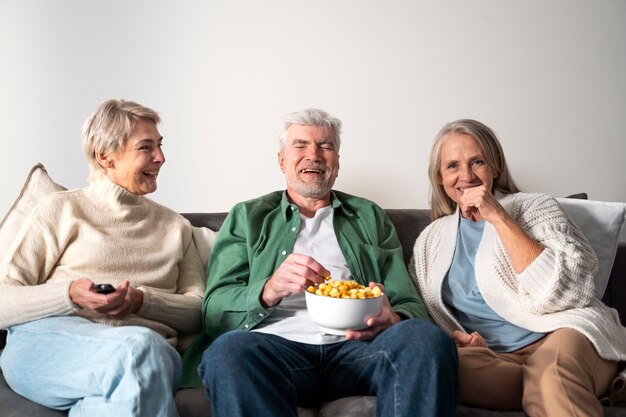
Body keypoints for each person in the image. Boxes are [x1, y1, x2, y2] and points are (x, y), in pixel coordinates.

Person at [180, 108, 458, 417]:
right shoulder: (247, 217)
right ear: (282, 160)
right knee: (228, 352)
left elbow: (409, 301)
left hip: (360, 348)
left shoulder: (369, 215)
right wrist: (269, 289)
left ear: (337, 162)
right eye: (300, 145)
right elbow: (214, 311)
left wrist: (393, 319)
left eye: (325, 146)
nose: (314, 154)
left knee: (425, 339)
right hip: (276, 350)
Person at [0, 99, 206, 417]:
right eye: (146, 147)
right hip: (50, 344)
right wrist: (68, 294)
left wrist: (142, 301)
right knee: (142, 349)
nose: (161, 158)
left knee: (132, 377)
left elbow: (198, 312)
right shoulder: (61, 209)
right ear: (105, 156)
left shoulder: (176, 227)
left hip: (148, 359)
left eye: (160, 146)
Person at [410, 118, 626, 417]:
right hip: (495, 358)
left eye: (477, 162)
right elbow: (425, 314)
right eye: (452, 166)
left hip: (563, 334)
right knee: (438, 367)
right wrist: (457, 338)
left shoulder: (535, 207)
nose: (466, 176)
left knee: (551, 377)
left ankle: (561, 383)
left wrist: (499, 218)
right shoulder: (429, 241)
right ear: (440, 177)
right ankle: (589, 387)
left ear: (495, 167)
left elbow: (572, 290)